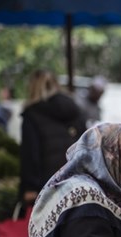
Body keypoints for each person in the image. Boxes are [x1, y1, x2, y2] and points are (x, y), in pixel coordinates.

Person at [19, 69, 87, 205]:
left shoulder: (32, 115)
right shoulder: (75, 110)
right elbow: (87, 147)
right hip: (77, 184)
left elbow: (30, 154)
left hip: (47, 188)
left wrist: (30, 187)